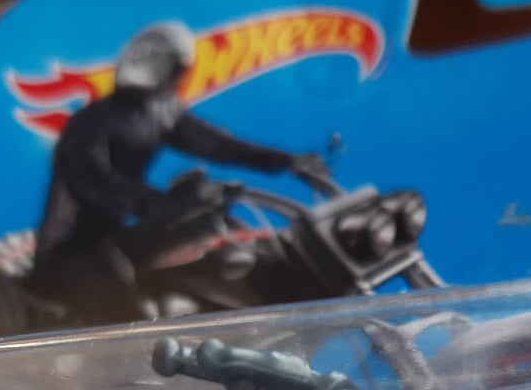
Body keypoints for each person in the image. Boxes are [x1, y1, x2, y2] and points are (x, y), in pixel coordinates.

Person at [30, 22, 328, 323]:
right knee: (122, 305)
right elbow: (94, 181)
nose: (178, 77)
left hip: (120, 234)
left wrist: (287, 161)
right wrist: (162, 203)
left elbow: (218, 144)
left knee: (217, 232)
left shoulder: (162, 110)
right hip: (72, 247)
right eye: (173, 68)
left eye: (179, 69)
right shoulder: (92, 120)